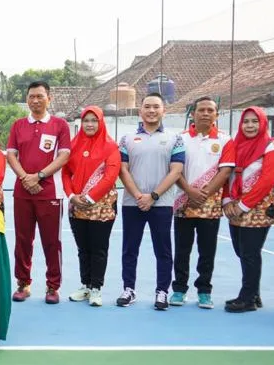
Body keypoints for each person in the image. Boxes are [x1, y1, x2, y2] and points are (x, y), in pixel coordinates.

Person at [117, 93, 185, 310]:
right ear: (141, 111)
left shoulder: (175, 138)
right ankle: (129, 289)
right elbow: (123, 170)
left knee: (163, 250)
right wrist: (138, 195)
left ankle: (162, 291)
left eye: (156, 107)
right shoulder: (127, 138)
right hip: (132, 203)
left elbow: (176, 171)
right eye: (147, 107)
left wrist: (153, 196)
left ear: (163, 110)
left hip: (162, 204)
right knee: (130, 249)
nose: (152, 110)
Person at [6, 81, 72, 304]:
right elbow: (11, 155)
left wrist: (39, 176)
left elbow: (63, 156)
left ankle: (53, 286)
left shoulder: (60, 125)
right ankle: (23, 284)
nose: (35, 100)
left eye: (40, 96)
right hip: (22, 192)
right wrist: (26, 177)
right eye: (31, 96)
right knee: (23, 240)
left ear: (49, 98)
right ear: (27, 99)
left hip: (50, 194)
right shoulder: (18, 125)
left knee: (52, 241)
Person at [170, 97, 230, 310]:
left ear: (216, 115)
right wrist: (189, 191)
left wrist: (205, 193)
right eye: (201, 110)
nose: (205, 113)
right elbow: (174, 170)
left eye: (210, 110)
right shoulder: (180, 139)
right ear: (193, 114)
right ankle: (179, 289)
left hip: (210, 204)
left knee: (207, 250)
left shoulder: (225, 139)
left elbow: (225, 171)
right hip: (184, 203)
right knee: (182, 249)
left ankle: (204, 290)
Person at [221, 106, 274, 313]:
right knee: (241, 251)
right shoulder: (235, 145)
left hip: (258, 207)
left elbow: (267, 180)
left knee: (249, 252)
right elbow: (227, 174)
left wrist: (243, 205)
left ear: (262, 123)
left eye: (254, 121)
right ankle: (254, 294)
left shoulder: (270, 146)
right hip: (234, 206)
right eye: (246, 121)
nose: (250, 126)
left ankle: (247, 298)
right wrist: (227, 200)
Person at [62, 106, 120, 308]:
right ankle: (85, 285)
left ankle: (96, 288)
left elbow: (110, 176)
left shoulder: (111, 147)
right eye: (86, 120)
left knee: (98, 248)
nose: (89, 124)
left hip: (101, 207)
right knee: (83, 248)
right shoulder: (72, 145)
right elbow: (66, 173)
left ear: (101, 122)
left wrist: (89, 197)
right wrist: (71, 195)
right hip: (76, 206)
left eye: (94, 120)